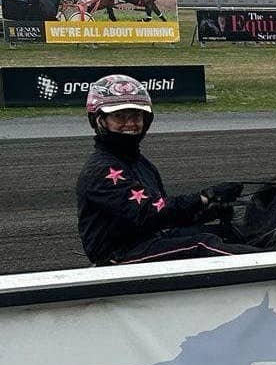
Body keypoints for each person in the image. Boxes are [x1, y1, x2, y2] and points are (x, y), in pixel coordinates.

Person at [76, 74, 254, 266]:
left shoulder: (141, 164)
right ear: (100, 121)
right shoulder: (102, 170)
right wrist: (205, 197)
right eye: (120, 116)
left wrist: (210, 211)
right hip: (118, 257)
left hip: (149, 240)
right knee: (203, 245)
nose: (130, 123)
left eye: (136, 116)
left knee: (228, 233)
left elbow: (164, 217)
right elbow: (149, 213)